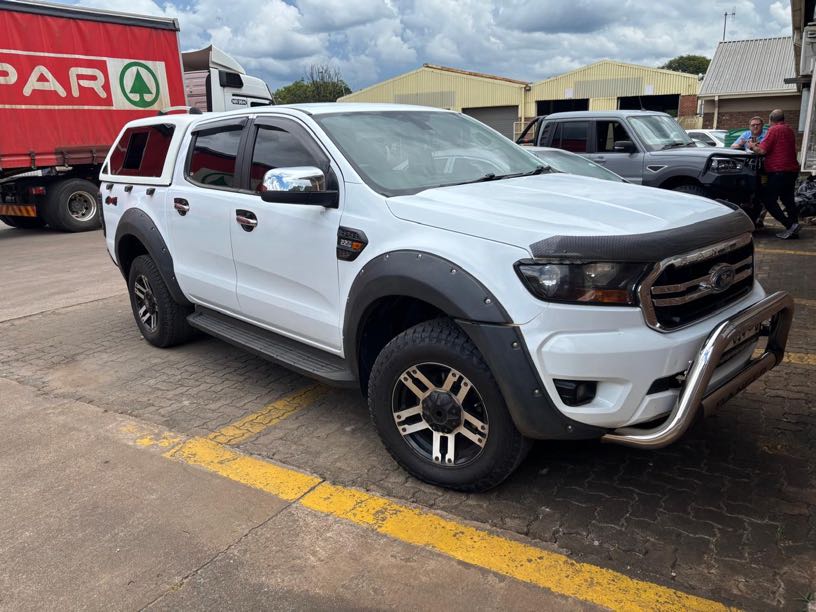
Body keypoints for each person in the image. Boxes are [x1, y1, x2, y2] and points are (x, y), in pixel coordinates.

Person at [748, 109, 801, 239]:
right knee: (788, 200)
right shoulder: (788, 130)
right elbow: (777, 146)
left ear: (770, 120)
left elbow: (761, 151)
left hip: (778, 171)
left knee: (768, 199)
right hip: (791, 171)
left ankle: (790, 225)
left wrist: (752, 146)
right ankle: (794, 228)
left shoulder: (773, 130)